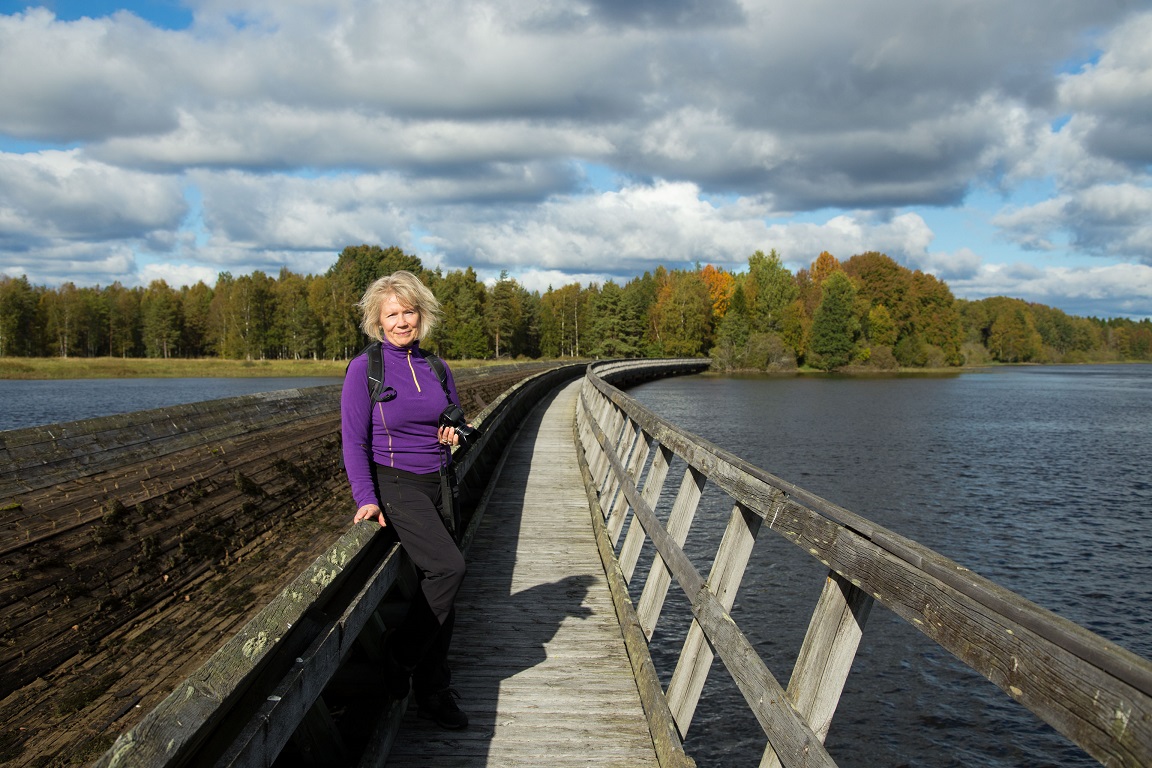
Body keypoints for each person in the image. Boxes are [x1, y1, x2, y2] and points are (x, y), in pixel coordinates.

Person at [340, 270, 469, 730]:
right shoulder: (365, 368)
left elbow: (457, 418)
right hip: (396, 483)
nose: (401, 321)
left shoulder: (436, 367)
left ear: (421, 315)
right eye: (392, 314)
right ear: (378, 321)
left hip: (440, 480)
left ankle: (435, 691)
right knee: (449, 569)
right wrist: (365, 496)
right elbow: (353, 441)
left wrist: (455, 432)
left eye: (408, 312)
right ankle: (400, 655)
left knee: (443, 588)